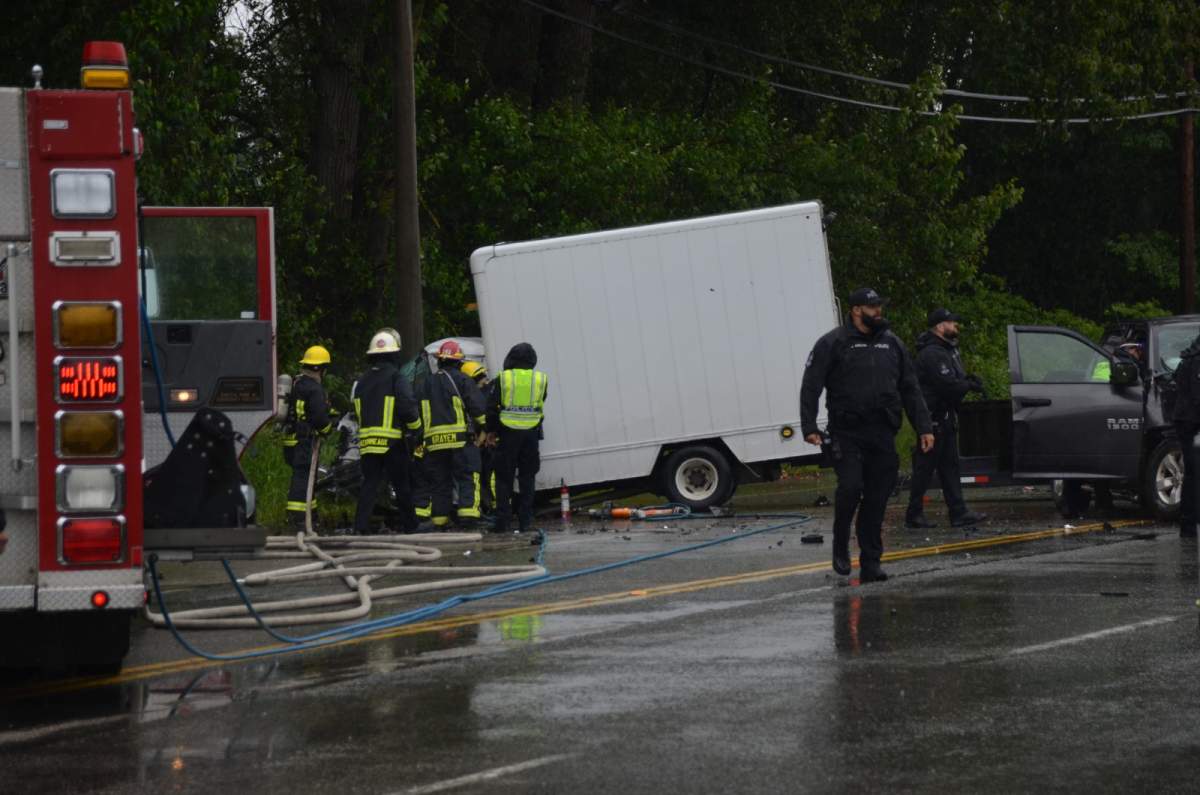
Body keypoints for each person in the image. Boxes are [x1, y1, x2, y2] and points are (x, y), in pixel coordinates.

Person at [800, 287, 934, 582]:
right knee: (850, 488)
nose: (879, 312)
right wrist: (809, 426)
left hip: (882, 432)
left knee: (877, 498)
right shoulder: (833, 343)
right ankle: (840, 545)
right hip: (847, 432)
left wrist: (924, 426)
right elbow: (811, 384)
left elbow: (910, 388)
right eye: (873, 308)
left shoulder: (892, 344)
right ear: (856, 310)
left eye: (879, 307)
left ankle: (871, 561)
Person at [905, 308, 987, 529]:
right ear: (941, 326)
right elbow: (947, 386)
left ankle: (958, 512)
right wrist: (968, 385)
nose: (956, 326)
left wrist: (968, 380)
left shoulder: (946, 350)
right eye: (952, 323)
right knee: (925, 467)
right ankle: (913, 513)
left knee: (950, 466)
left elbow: (953, 380)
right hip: (933, 419)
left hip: (945, 417)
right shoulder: (933, 354)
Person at [352, 330, 422, 534]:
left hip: (367, 442)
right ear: (394, 355)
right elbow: (407, 405)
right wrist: (417, 429)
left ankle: (360, 527)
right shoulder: (396, 377)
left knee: (369, 484)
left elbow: (357, 410)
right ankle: (411, 526)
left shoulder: (362, 381)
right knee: (402, 485)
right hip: (392, 442)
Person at [418, 340, 488, 528]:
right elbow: (479, 410)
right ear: (458, 362)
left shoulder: (426, 383)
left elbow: (419, 415)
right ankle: (469, 516)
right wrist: (486, 428)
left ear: (439, 361)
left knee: (440, 482)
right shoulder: (462, 380)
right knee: (468, 475)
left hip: (434, 444)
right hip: (460, 441)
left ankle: (440, 520)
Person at [487, 343, 549, 535]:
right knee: (527, 478)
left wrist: (491, 431)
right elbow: (541, 400)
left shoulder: (503, 378)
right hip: (531, 435)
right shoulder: (541, 379)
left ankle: (502, 522)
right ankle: (525, 522)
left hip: (507, 434)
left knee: (504, 479)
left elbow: (491, 408)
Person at [283, 345, 334, 529]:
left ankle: (310, 516)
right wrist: (328, 428)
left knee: (306, 478)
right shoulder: (315, 389)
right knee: (303, 478)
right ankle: (297, 520)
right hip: (304, 442)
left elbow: (304, 410)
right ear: (320, 368)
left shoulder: (298, 383)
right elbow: (319, 418)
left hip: (291, 440)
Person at [1172, 334, 1200, 538]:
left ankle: (1188, 523)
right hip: (1192, 422)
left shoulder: (1188, 358)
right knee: (1193, 473)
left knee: (1192, 473)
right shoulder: (1197, 361)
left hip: (1185, 421)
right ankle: (1189, 524)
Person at [461, 360, 496, 514]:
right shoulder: (492, 389)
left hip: (489, 442)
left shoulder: (479, 394)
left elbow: (484, 422)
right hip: (494, 439)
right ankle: (496, 507)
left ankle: (494, 508)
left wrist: (478, 442)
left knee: (488, 477)